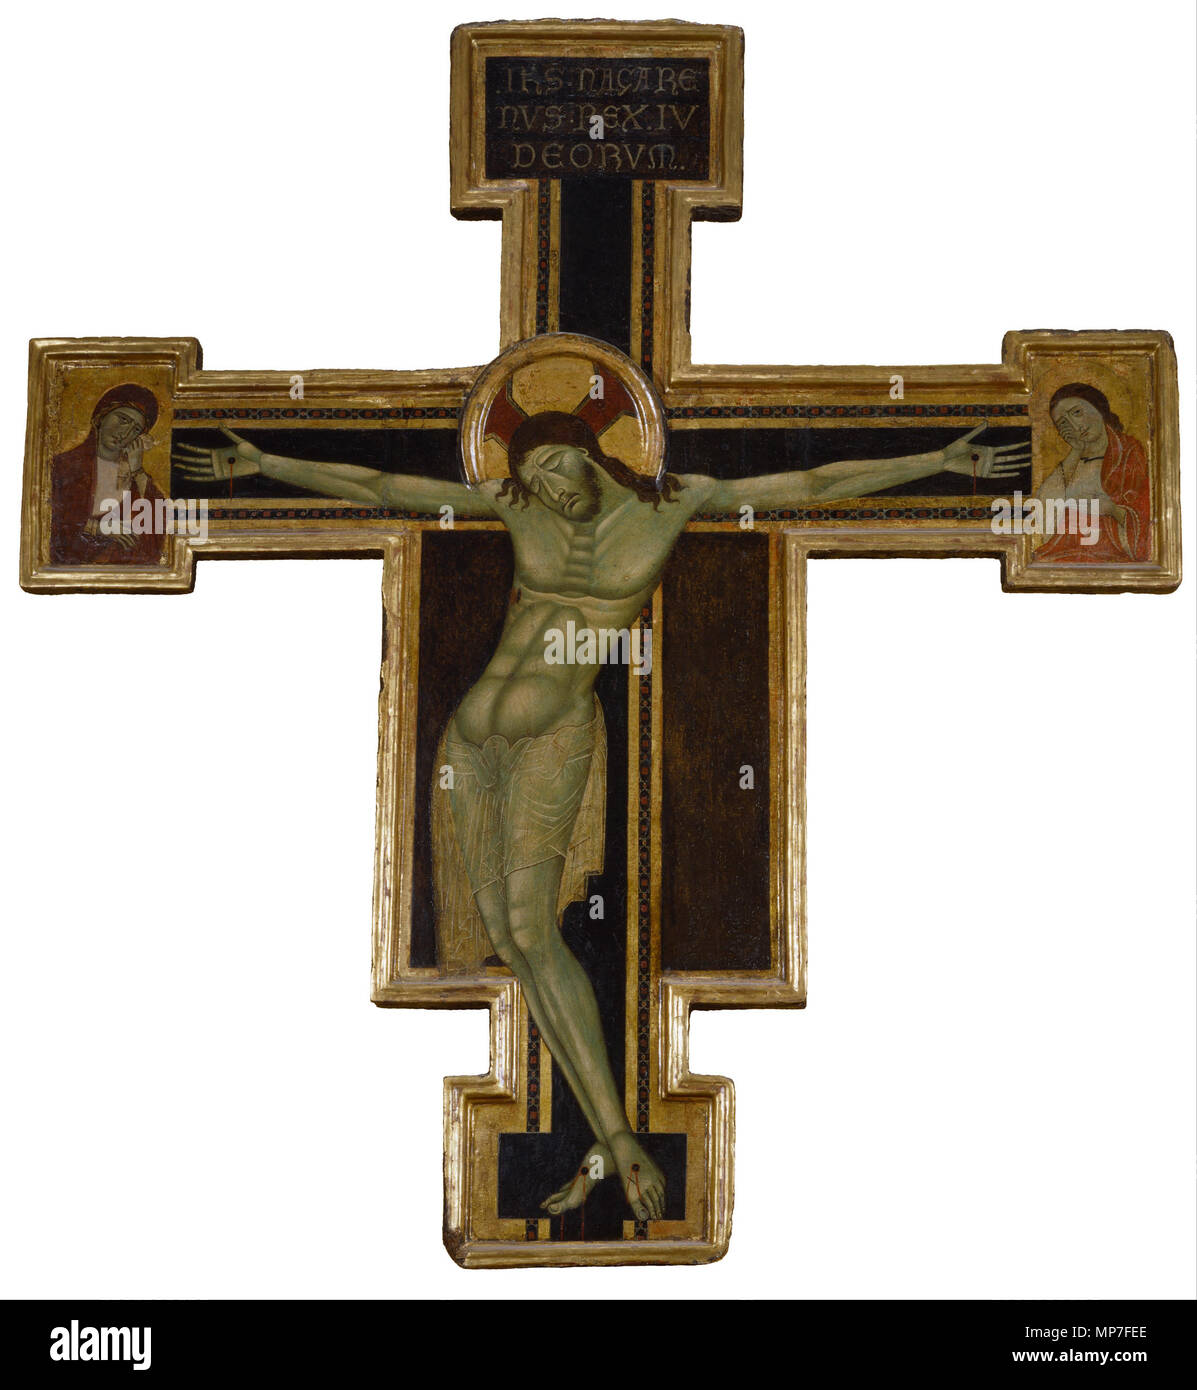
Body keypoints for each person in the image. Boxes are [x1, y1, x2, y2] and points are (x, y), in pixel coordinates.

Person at [175, 399, 1026, 1222]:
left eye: (557, 465)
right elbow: (382, 488)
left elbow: (808, 485)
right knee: (509, 939)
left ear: (591, 452)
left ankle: (617, 1139)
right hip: (472, 741)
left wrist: (937, 460)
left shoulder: (671, 504)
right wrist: (265, 463)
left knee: (534, 933)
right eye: (535, 475)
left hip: (551, 735)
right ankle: (605, 1139)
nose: (549, 487)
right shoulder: (517, 508)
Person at [1035, 383, 1151, 563]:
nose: (1075, 426)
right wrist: (1076, 451)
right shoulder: (1073, 462)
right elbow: (1044, 513)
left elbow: (1146, 522)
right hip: (1063, 555)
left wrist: (1111, 509)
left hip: (1112, 558)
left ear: (1098, 407)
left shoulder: (1129, 453)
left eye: (1077, 412)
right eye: (1063, 423)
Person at [51, 384, 165, 565]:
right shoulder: (64, 466)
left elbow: (155, 527)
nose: (126, 433)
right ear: (101, 417)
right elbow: (53, 521)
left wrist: (137, 471)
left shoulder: (134, 477)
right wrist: (99, 528)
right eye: (123, 419)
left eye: (136, 429)